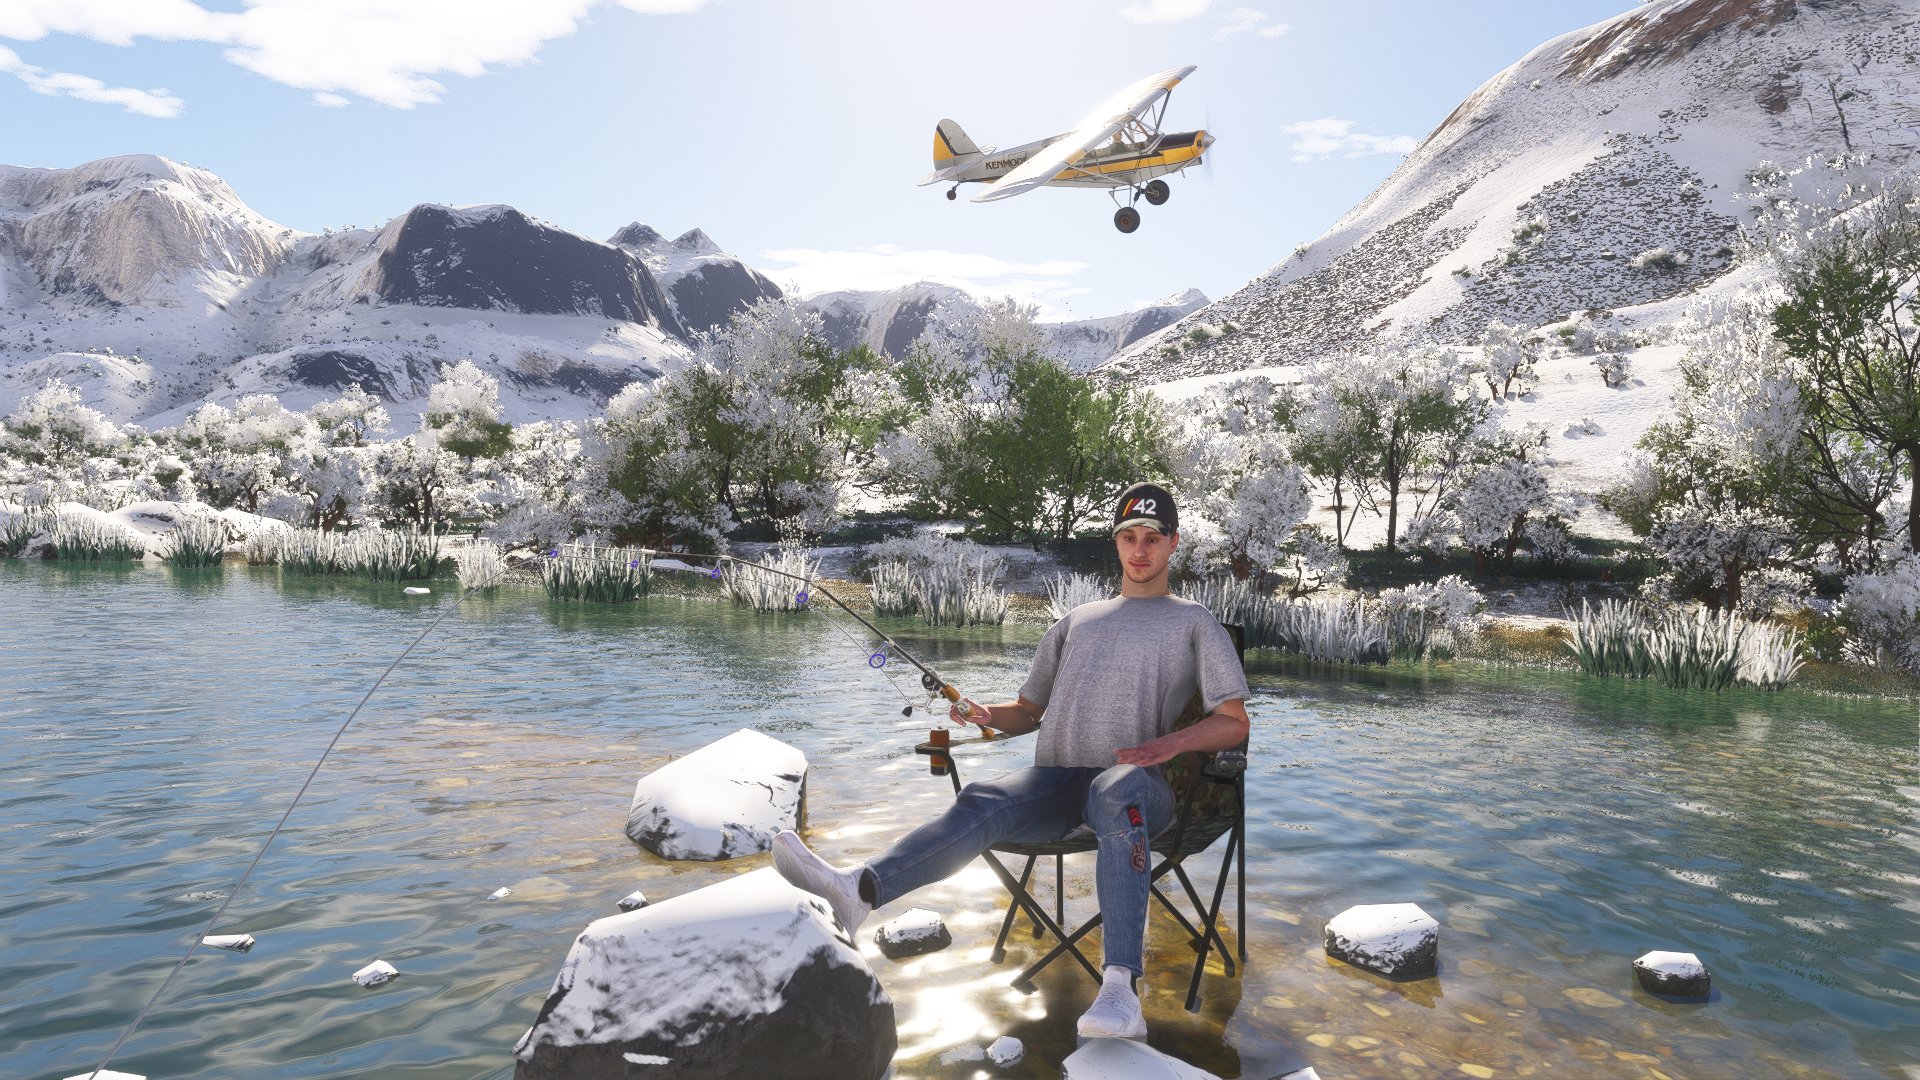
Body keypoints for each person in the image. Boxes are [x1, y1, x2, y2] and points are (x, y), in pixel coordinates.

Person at [772, 481, 1251, 1040]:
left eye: (1152, 538)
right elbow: (1028, 712)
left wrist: (1167, 746)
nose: (1139, 550)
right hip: (1058, 782)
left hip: (1139, 785)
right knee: (983, 798)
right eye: (1128, 537)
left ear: (1173, 544)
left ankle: (1121, 991)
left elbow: (1234, 722)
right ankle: (859, 892)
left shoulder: (1194, 622)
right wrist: (984, 713)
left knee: (1114, 789)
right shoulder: (1077, 621)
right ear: (1115, 544)